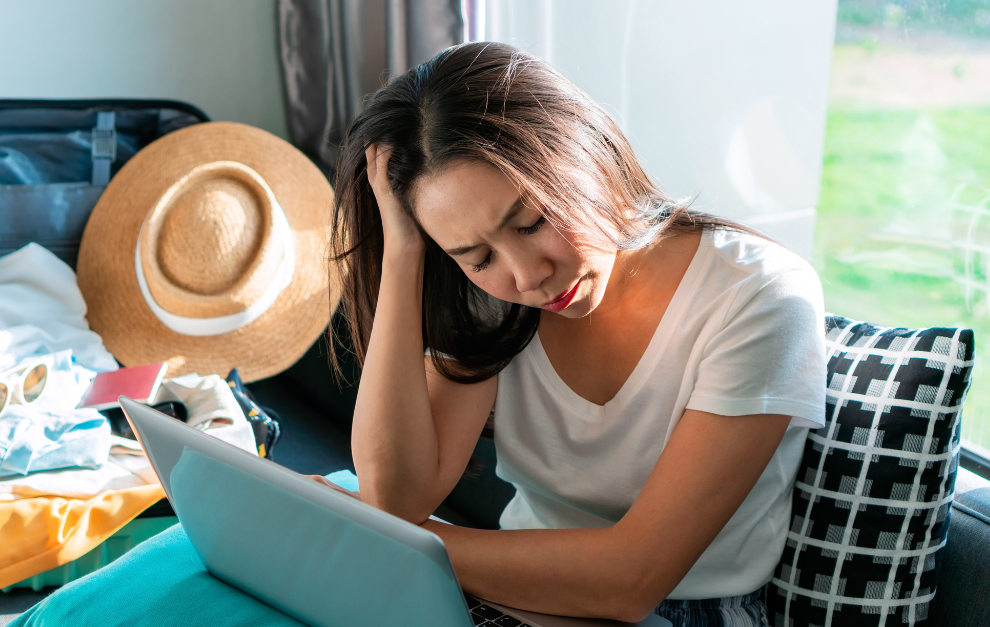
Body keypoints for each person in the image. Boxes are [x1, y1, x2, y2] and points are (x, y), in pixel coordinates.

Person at [324, 42, 826, 626]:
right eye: (477, 255)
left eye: (532, 222)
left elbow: (631, 581)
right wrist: (404, 254)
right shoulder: (491, 300)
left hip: (687, 611)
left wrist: (374, 533)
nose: (527, 275)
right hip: (509, 595)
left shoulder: (757, 296)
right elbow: (397, 499)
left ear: (586, 151)